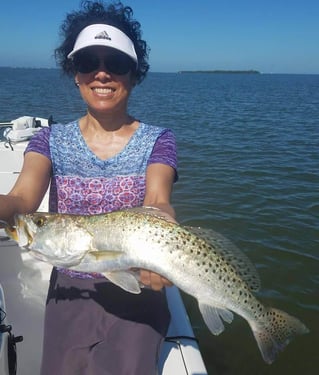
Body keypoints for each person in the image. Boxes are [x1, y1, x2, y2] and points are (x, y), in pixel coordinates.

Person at [0, 1, 178, 374]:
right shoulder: (49, 139)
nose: (101, 74)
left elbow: (158, 201)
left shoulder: (159, 140)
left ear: (135, 73)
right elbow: (21, 200)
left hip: (137, 286)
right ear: (74, 73)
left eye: (115, 63)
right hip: (71, 282)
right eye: (87, 63)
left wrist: (164, 249)